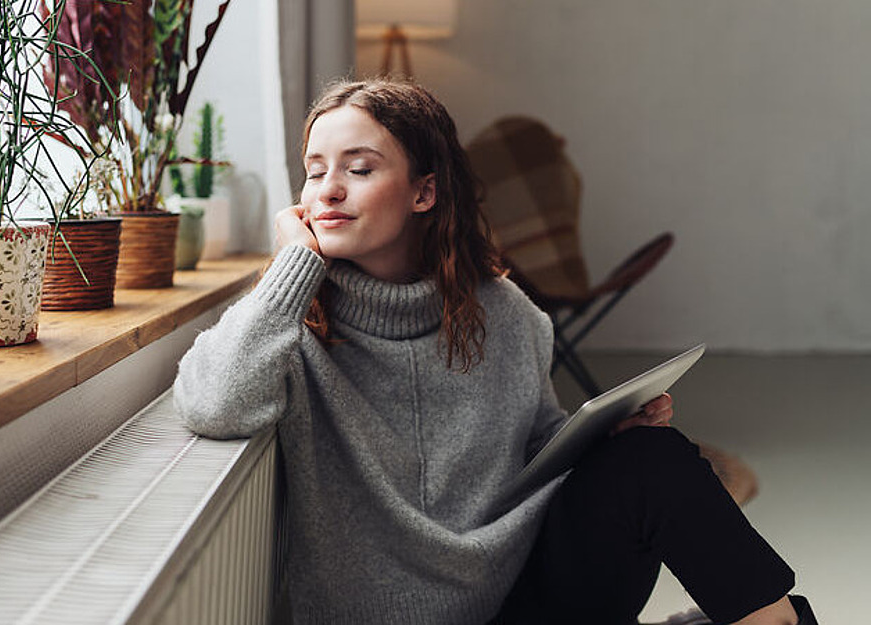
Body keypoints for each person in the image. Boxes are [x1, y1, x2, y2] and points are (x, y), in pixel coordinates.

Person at [173, 79, 815, 625]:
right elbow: (212, 405)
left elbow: (534, 448)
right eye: (315, 172)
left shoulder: (504, 313)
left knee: (651, 459)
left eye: (359, 169)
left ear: (424, 192)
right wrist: (293, 266)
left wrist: (599, 438)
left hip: (519, 599)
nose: (328, 190)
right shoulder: (288, 321)